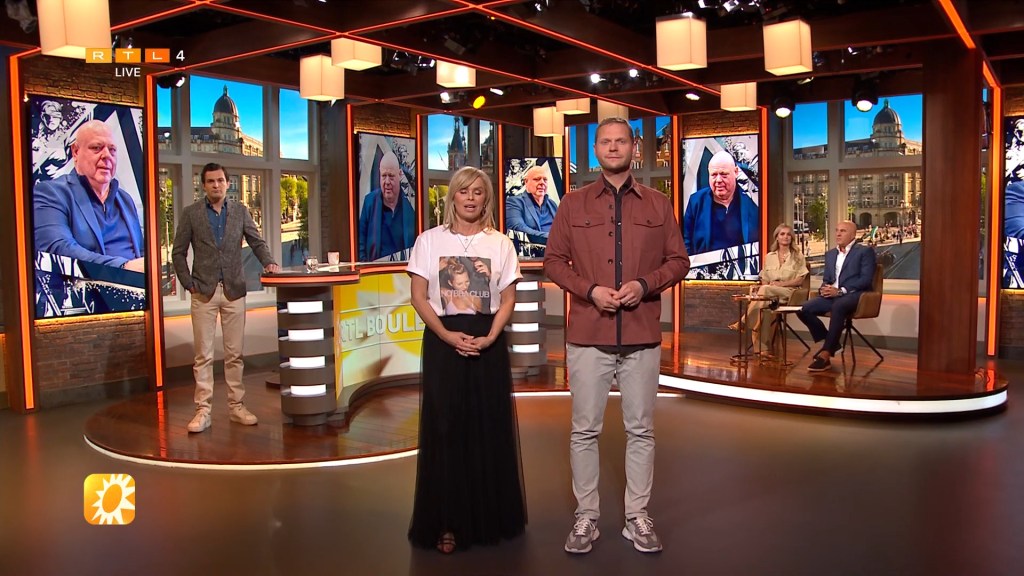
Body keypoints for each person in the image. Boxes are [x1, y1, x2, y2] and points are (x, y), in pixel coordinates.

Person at [545, 117, 690, 554]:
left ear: (633, 148)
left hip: (642, 335)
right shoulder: (572, 205)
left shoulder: (658, 204)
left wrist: (645, 285)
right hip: (588, 334)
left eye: (620, 141)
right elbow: (553, 262)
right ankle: (586, 517)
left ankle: (636, 517)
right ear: (595, 150)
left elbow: (679, 261)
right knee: (584, 431)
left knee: (641, 431)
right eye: (605, 142)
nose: (612, 147)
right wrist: (589, 290)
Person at [406, 166, 526, 554]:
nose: (470, 198)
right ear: (452, 197)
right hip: (443, 341)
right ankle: (447, 522)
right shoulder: (428, 241)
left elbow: (507, 299)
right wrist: (445, 335)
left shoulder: (501, 244)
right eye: (463, 191)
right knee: (446, 429)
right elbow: (418, 297)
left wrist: (490, 337)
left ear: (486, 198)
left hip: (487, 341)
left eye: (478, 191)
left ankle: (489, 519)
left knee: (487, 427)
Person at [172, 163, 280, 433]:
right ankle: (203, 411)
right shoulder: (191, 214)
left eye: (220, 180)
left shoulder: (240, 212)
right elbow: (178, 253)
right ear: (203, 185)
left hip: (233, 291)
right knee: (203, 356)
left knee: (234, 354)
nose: (216, 185)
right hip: (203, 293)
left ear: (227, 183)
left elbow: (256, 241)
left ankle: (236, 407)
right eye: (211, 181)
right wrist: (188, 284)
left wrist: (269, 262)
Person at [33, 119, 145, 272]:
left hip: (138, 285)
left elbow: (141, 252)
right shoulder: (50, 193)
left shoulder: (125, 200)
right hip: (86, 285)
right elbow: (59, 249)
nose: (107, 155)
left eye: (112, 149)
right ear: (76, 152)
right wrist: (123, 267)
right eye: (96, 148)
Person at [796, 220, 877, 372]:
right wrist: (824, 289)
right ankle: (833, 343)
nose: (838, 234)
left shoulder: (864, 252)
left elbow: (866, 280)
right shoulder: (831, 254)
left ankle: (826, 354)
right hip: (832, 295)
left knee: (839, 306)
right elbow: (827, 279)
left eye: (843, 231)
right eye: (837, 230)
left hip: (855, 295)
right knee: (803, 309)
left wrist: (841, 291)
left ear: (853, 235)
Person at [730, 224, 809, 353]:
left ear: (792, 238)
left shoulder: (798, 256)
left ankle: (744, 321)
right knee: (763, 309)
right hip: (770, 295)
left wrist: (780, 285)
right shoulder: (769, 257)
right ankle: (763, 350)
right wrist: (766, 286)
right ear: (777, 237)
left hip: (789, 293)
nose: (785, 237)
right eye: (782, 234)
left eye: (788, 234)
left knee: (765, 291)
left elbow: (800, 280)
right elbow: (765, 279)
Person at [682, 149, 760, 255]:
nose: (718, 180)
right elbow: (685, 242)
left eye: (724, 174)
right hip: (706, 265)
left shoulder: (752, 202)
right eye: (714, 175)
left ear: (736, 172)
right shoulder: (696, 202)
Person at [358, 150, 417, 261]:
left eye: (391, 176)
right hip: (376, 270)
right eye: (384, 176)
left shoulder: (411, 205)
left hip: (404, 270)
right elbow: (360, 243)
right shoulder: (369, 202)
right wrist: (366, 266)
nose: (387, 181)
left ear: (400, 175)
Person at [505, 163, 558, 252]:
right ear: (526, 182)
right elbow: (518, 228)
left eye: (545, 180)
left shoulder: (552, 204)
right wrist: (552, 237)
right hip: (532, 252)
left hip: (557, 251)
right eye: (537, 179)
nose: (542, 183)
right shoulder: (514, 202)